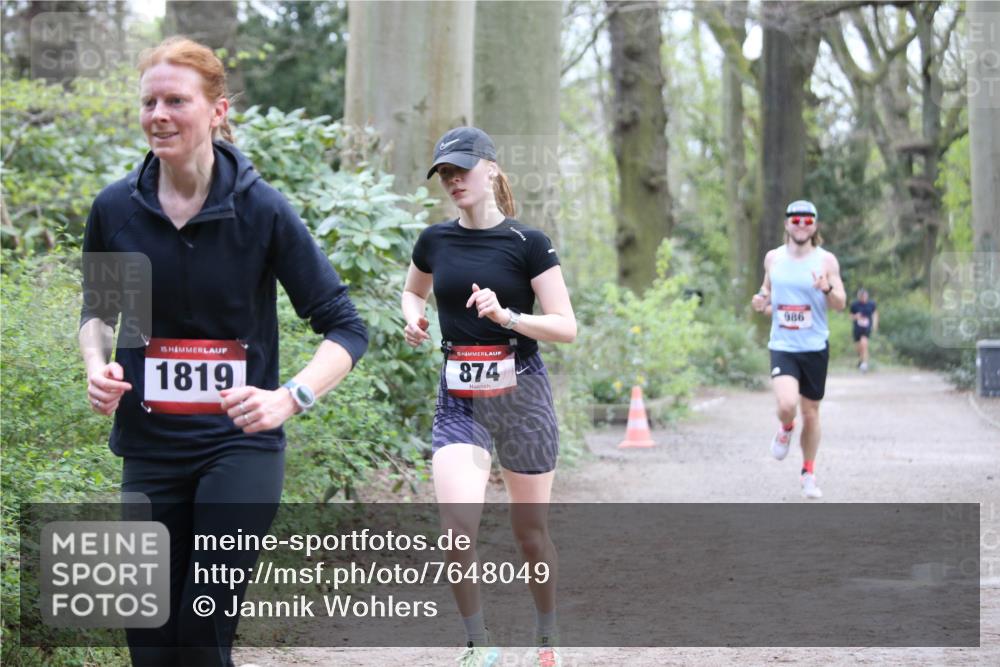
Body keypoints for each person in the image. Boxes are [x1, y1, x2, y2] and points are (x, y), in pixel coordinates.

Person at [78, 37, 367, 666]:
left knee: (201, 638)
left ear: (217, 111)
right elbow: (98, 313)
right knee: (150, 644)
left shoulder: (260, 210)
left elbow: (346, 327)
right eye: (149, 100)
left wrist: (290, 397)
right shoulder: (115, 210)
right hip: (150, 450)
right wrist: (96, 367)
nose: (158, 113)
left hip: (239, 446)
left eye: (176, 100)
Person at [401, 127, 576, 667]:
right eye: (445, 174)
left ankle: (546, 640)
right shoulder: (435, 240)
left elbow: (566, 326)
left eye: (462, 170)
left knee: (529, 535)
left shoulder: (529, 243)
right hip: (459, 395)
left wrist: (508, 317)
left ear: (492, 171)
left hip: (522, 391)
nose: (454, 180)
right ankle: (478, 646)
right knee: (457, 530)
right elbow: (413, 289)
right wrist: (414, 318)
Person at [751, 200, 845, 499]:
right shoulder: (773, 259)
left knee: (812, 413)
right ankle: (786, 426)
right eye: (795, 220)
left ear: (815, 225)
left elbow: (841, 303)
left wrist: (826, 288)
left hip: (815, 346)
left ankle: (808, 472)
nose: (801, 225)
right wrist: (762, 299)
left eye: (807, 221)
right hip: (783, 346)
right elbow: (767, 291)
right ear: (786, 224)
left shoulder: (826, 261)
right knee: (786, 404)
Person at [849, 288, 878, 372]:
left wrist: (874, 325)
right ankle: (861, 361)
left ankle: (865, 364)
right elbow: (850, 316)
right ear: (859, 296)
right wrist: (855, 316)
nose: (864, 297)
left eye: (865, 296)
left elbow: (875, 314)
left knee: (864, 344)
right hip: (857, 328)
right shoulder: (854, 305)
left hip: (866, 328)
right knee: (859, 348)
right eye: (862, 296)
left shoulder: (871, 304)